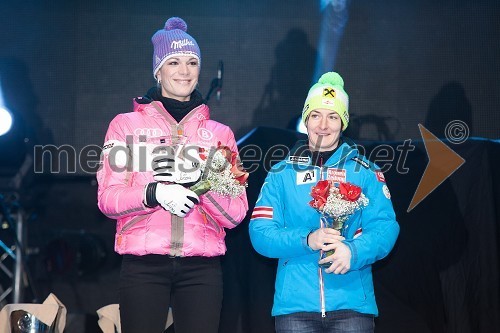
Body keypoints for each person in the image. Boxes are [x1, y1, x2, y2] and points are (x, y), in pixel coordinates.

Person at [97, 17, 248, 333]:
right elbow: (108, 199)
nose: (185, 70)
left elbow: (236, 215)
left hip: (202, 268)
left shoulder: (219, 134)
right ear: (158, 70)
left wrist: (202, 185)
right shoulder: (127, 126)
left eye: (192, 62)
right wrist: (155, 193)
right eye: (174, 62)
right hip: (144, 264)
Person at [249, 72, 399, 332]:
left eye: (333, 116)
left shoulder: (365, 172)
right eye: (316, 115)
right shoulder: (281, 173)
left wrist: (354, 252)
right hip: (295, 308)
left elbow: (386, 227)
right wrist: (307, 239)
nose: (323, 125)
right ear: (305, 119)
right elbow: (260, 233)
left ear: (343, 123)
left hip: (352, 306)